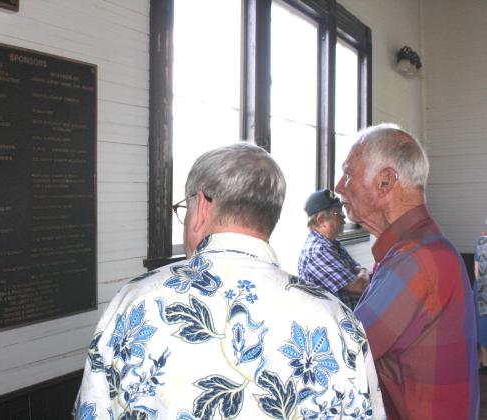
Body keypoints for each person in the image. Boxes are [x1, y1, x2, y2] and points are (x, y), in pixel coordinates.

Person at [74, 143, 384, 419]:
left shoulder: (133, 302)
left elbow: (93, 409)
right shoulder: (335, 319)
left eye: (186, 208)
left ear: (203, 206)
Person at [335, 123, 479, 419]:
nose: (339, 186)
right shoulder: (420, 249)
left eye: (349, 173)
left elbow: (344, 355)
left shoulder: (417, 259)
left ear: (385, 182)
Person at [298, 188, 370, 310]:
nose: (343, 218)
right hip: (337, 325)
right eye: (338, 213)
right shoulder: (318, 252)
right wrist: (364, 271)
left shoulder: (333, 243)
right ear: (321, 220)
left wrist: (361, 272)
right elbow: (360, 287)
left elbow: (356, 271)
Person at [474, 218, 487, 371]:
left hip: (482, 291)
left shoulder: (481, 244)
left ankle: (484, 362)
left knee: (483, 325)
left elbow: (477, 272)